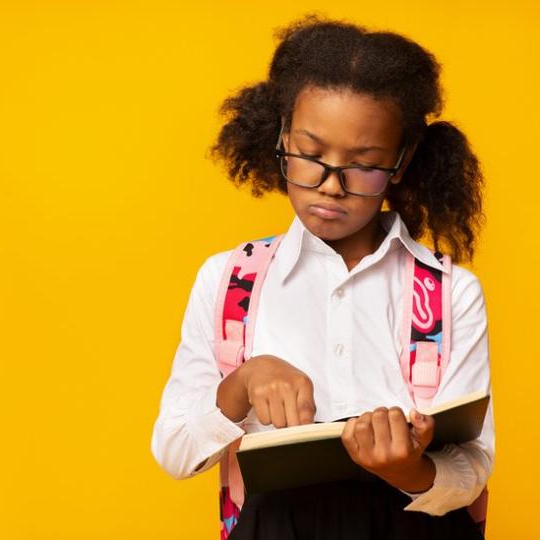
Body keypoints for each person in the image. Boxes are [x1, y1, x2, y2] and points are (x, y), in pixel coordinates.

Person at [150, 14, 493, 540]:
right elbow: (175, 451)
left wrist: (408, 469)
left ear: (401, 162)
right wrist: (240, 385)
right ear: (282, 135)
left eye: (364, 163)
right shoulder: (230, 284)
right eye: (310, 154)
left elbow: (472, 469)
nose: (331, 185)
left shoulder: (449, 293)